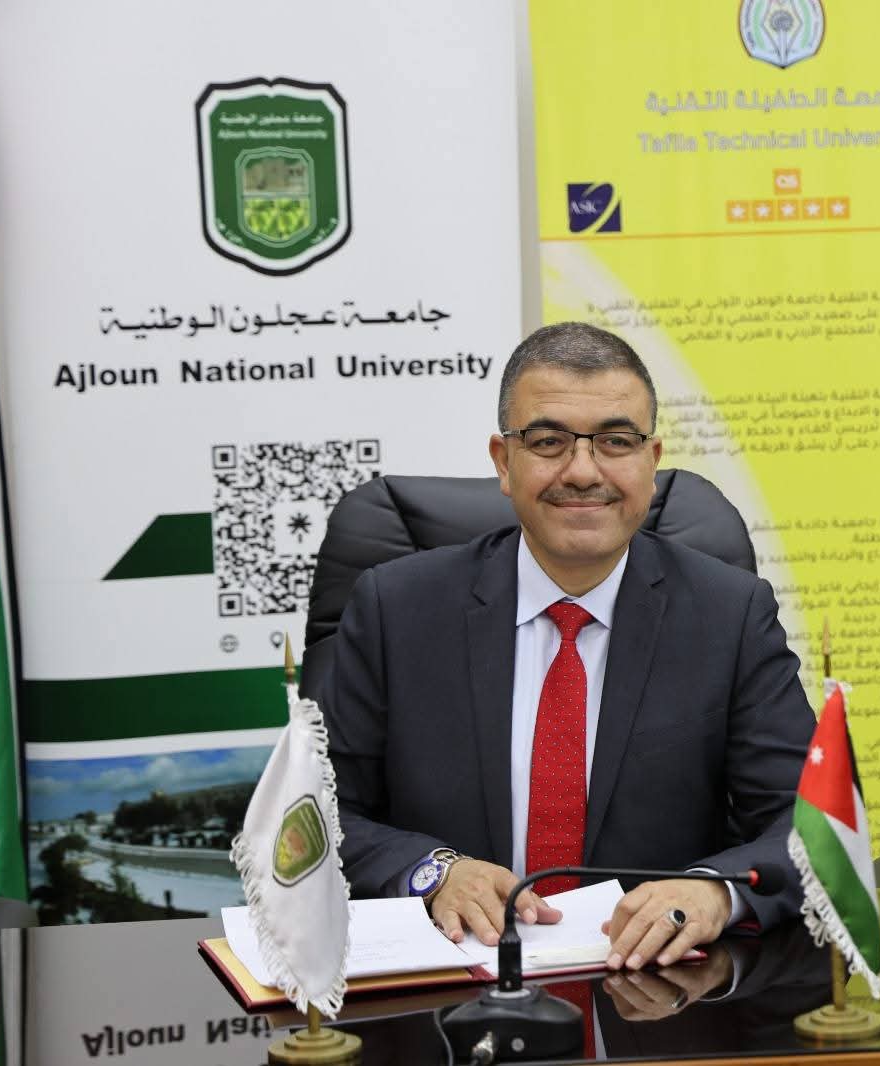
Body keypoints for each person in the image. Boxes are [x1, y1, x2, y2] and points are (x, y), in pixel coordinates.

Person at [322, 322, 815, 970]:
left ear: (652, 459)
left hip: (658, 987)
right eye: (549, 441)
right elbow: (318, 815)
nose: (583, 472)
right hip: (453, 984)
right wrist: (431, 871)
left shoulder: (730, 614)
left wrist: (713, 892)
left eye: (616, 441)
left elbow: (812, 824)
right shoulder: (397, 608)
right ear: (504, 461)